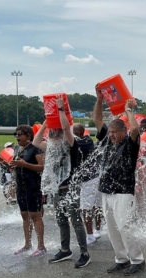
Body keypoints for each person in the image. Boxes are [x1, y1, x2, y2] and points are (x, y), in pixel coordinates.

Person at [93, 85, 145, 276]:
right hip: (107, 190)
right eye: (111, 131)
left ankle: (137, 260)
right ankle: (121, 258)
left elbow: (134, 129)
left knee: (125, 225)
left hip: (123, 190)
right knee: (113, 227)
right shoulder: (107, 141)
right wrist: (99, 99)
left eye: (115, 131)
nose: (112, 134)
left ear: (123, 132)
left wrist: (129, 110)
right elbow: (97, 119)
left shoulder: (130, 144)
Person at [33, 98, 90, 268]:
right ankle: (65, 249)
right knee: (61, 220)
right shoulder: (51, 147)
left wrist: (60, 109)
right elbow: (35, 142)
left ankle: (85, 253)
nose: (50, 134)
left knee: (75, 220)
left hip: (70, 188)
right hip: (58, 189)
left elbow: (66, 128)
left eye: (52, 131)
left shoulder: (71, 144)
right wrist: (44, 124)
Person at [1, 125, 46, 257]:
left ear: (28, 136)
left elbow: (42, 167)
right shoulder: (17, 149)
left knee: (35, 215)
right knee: (25, 215)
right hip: (21, 186)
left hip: (33, 186)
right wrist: (5, 164)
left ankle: (41, 246)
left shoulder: (36, 148)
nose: (17, 136)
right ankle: (27, 244)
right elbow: (15, 167)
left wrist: (25, 165)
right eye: (16, 134)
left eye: (20, 134)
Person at [73, 123, 103, 245]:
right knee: (97, 205)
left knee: (85, 208)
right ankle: (98, 230)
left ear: (76, 132)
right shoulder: (88, 141)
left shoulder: (79, 143)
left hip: (87, 180)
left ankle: (90, 235)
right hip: (96, 177)